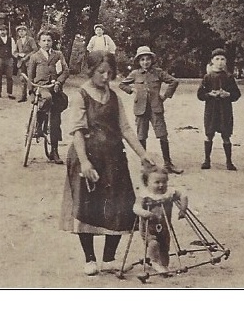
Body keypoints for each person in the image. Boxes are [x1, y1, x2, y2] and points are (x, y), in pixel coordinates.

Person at [61, 51, 158, 276]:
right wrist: (85, 163)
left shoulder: (114, 96)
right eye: (100, 72)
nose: (106, 77)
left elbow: (125, 128)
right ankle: (90, 259)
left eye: (109, 72)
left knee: (120, 205)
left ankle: (109, 258)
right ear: (91, 71)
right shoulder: (81, 95)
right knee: (87, 206)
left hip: (114, 159)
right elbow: (77, 131)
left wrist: (143, 154)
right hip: (88, 159)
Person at [119, 46, 182, 174]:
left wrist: (165, 96)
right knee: (141, 136)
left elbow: (174, 81)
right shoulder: (135, 74)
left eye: (148, 59)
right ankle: (145, 164)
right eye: (142, 59)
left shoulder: (158, 72)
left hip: (155, 108)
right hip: (140, 109)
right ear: (138, 61)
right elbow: (122, 84)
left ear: (152, 60)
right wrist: (132, 90)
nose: (145, 62)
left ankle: (168, 163)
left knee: (162, 134)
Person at [133, 161, 189, 275]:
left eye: (164, 182)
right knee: (153, 244)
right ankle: (155, 262)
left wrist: (183, 209)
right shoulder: (144, 195)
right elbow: (136, 208)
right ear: (147, 183)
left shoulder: (169, 192)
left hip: (164, 226)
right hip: (148, 228)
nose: (161, 185)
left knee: (164, 246)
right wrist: (144, 213)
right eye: (156, 182)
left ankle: (164, 265)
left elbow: (183, 194)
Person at [27, 29, 69, 164]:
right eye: (43, 40)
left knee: (56, 118)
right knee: (47, 99)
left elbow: (65, 71)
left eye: (49, 40)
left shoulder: (58, 55)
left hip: (54, 87)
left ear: (52, 42)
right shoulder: (35, 57)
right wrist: (31, 91)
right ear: (39, 42)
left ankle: (54, 151)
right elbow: (30, 76)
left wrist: (59, 81)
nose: (46, 43)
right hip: (41, 88)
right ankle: (39, 124)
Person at [197, 48, 242, 171]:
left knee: (226, 135)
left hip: (225, 110)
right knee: (209, 134)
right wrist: (209, 95)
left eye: (223, 59)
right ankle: (207, 160)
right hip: (211, 110)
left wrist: (228, 94)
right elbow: (200, 95)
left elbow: (237, 94)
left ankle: (229, 161)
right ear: (212, 61)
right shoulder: (207, 77)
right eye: (217, 59)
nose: (220, 62)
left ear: (226, 62)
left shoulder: (229, 77)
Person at [0, 26, 16, 99]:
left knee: (9, 76)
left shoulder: (11, 39)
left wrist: (13, 56)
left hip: (9, 59)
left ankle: (10, 93)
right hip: (0, 58)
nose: (2, 32)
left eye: (3, 30)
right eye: (1, 30)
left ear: (6, 31)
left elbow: (13, 49)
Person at [14, 25, 38, 103]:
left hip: (29, 62)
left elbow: (35, 50)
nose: (21, 33)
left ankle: (33, 97)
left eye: (22, 31)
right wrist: (17, 55)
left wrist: (27, 56)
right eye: (19, 31)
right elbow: (15, 52)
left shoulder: (30, 40)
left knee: (31, 78)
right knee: (22, 79)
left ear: (26, 31)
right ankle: (23, 96)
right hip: (21, 62)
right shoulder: (18, 41)